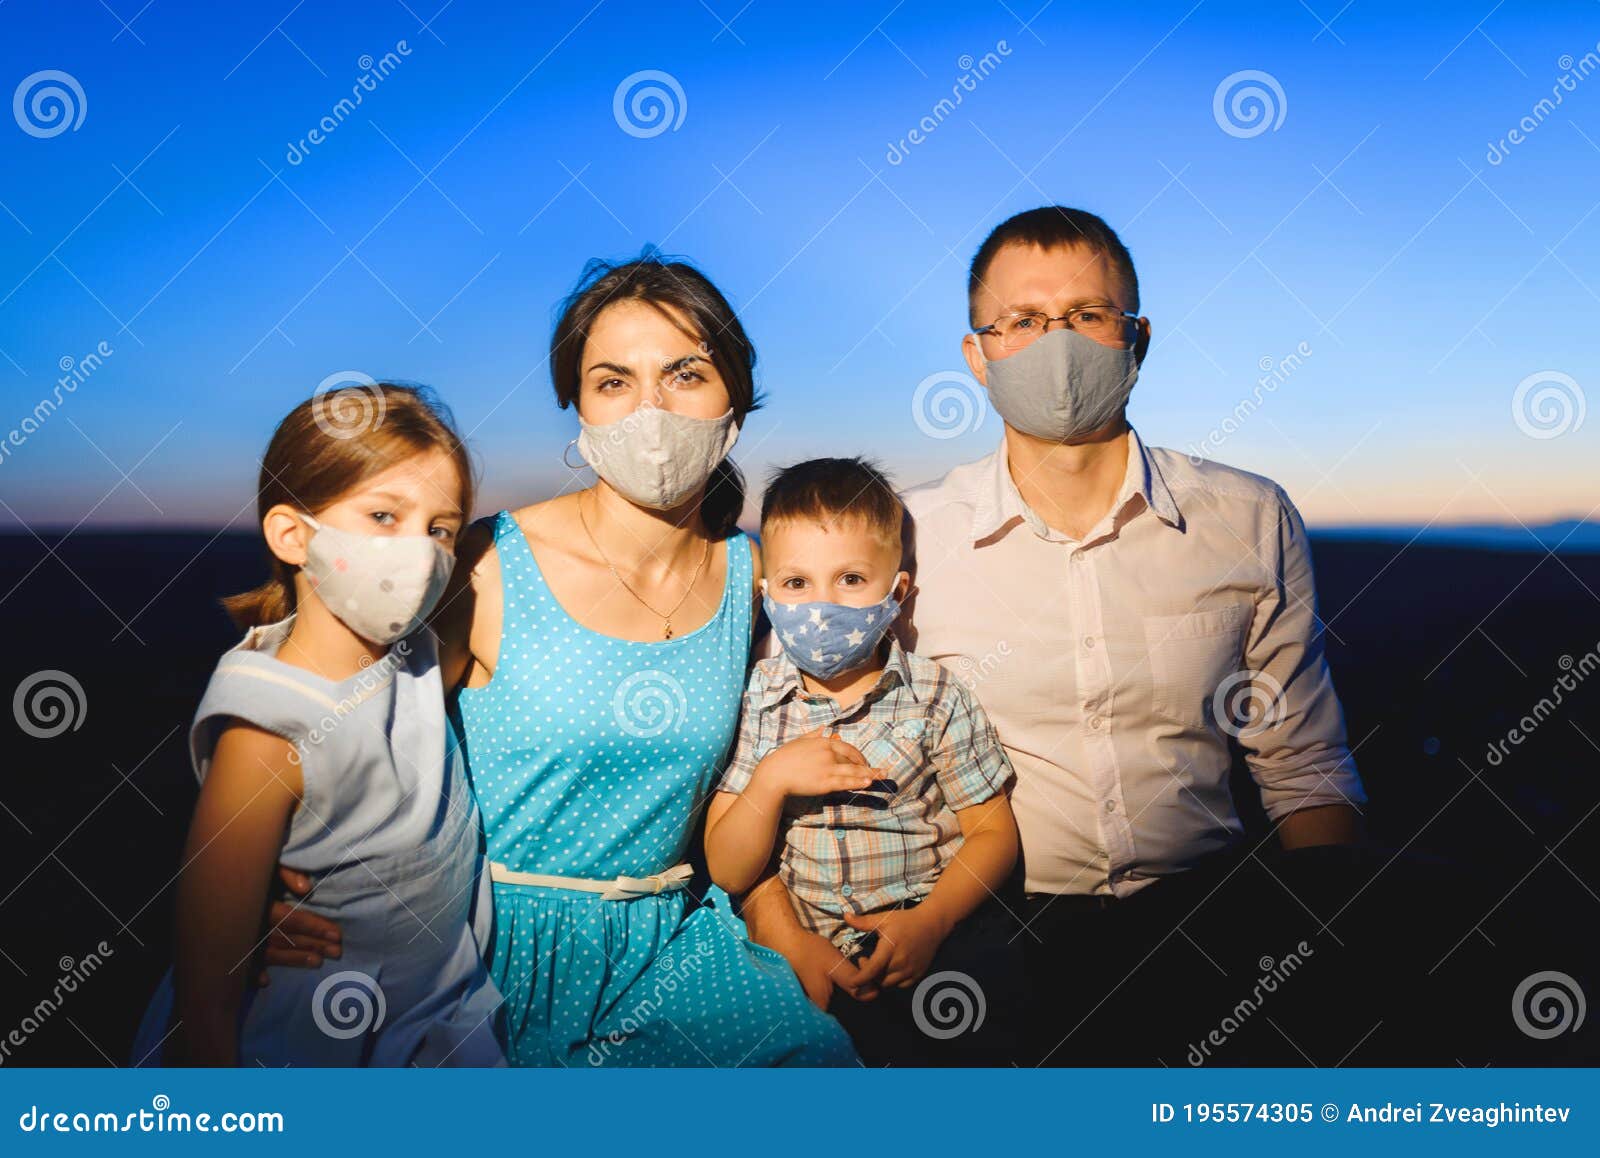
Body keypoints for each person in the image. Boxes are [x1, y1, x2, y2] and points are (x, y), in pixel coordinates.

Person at [742, 206, 1375, 1066]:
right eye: (1022, 322)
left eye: (1086, 316)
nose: (1057, 345)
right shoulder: (904, 540)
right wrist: (787, 937)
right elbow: (785, 733)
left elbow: (1303, 761)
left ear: (1136, 339)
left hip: (1215, 917)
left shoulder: (1249, 518)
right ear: (977, 355)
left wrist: (1324, 930)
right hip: (992, 938)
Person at [260, 256, 856, 1067]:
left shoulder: (758, 578)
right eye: (613, 381)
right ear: (576, 407)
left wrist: (779, 920)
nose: (651, 410)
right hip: (480, 961)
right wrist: (261, 884)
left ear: (736, 403)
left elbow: (756, 776)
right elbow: (318, 707)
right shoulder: (483, 565)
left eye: (686, 373)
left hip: (672, 953)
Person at [133, 384, 504, 1067]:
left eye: (441, 528)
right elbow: (207, 980)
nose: (420, 552)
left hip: (433, 1027)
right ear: (292, 535)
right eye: (384, 515)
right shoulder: (268, 730)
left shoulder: (418, 655)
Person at [706, 457, 1021, 1065]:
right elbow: (728, 867)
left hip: (935, 937)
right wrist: (769, 782)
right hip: (799, 951)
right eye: (797, 584)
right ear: (767, 593)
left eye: (850, 579)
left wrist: (931, 923)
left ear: (897, 592)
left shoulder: (935, 696)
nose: (821, 605)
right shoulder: (755, 700)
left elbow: (991, 832)